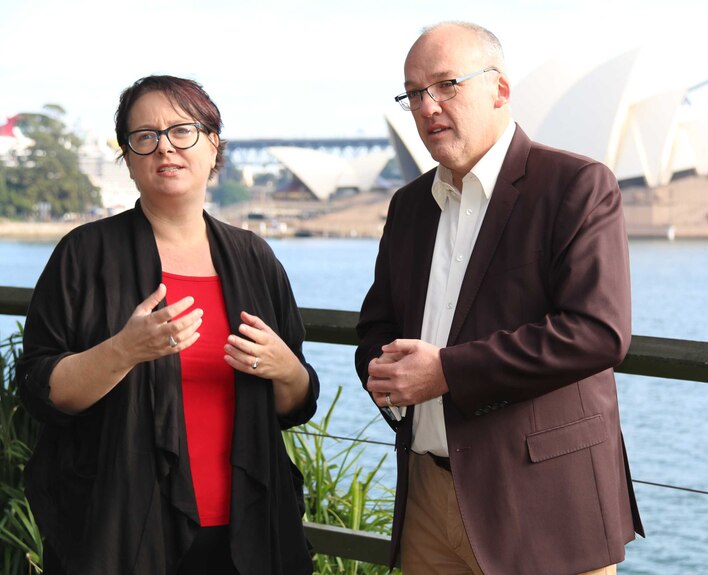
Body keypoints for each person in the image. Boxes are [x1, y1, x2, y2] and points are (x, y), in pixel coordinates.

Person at [355, 22, 644, 575]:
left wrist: (445, 373)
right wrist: (384, 373)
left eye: (446, 85)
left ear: (500, 91)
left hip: (542, 502)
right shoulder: (409, 205)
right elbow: (377, 325)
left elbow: (598, 332)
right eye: (414, 93)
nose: (428, 106)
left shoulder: (576, 185)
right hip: (428, 496)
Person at [17, 75, 318, 575]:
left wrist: (288, 370)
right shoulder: (84, 254)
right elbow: (38, 391)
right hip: (122, 530)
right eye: (145, 137)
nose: (165, 148)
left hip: (249, 529)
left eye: (183, 131)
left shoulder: (254, 257)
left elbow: (295, 405)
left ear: (213, 145)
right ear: (129, 158)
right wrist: (123, 351)